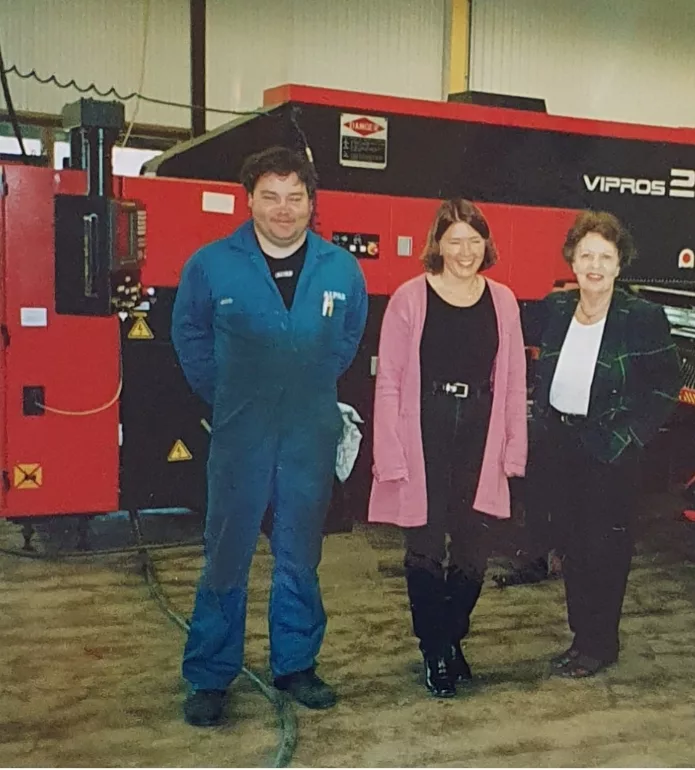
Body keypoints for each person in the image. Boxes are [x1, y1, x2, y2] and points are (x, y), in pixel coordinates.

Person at [171, 146, 368, 727]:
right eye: (271, 196)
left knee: (300, 554)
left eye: (296, 197)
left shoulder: (340, 268)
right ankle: (209, 675)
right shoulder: (212, 264)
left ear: (312, 201)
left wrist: (307, 387)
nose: (285, 210)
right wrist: (231, 397)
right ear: (249, 198)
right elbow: (191, 338)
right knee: (226, 554)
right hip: (241, 436)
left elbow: (348, 337)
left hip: (309, 433)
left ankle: (296, 663)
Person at [367, 198, 528, 698]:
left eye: (474, 241)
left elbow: (515, 377)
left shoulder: (502, 300)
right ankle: (435, 649)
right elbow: (390, 380)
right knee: (425, 546)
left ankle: (449, 635)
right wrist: (389, 450)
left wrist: (513, 446)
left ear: (487, 245)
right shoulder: (410, 299)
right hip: (425, 429)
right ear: (437, 243)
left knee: (475, 547)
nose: (465, 251)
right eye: (454, 240)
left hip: (481, 430)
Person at [529, 210, 681, 678]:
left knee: (604, 549)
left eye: (605, 257)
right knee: (572, 545)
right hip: (561, 445)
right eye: (586, 255)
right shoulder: (555, 309)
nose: (594, 265)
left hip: (609, 452)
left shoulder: (642, 318)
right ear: (572, 261)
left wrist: (627, 437)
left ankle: (601, 643)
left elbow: (664, 386)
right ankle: (581, 638)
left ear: (620, 265)